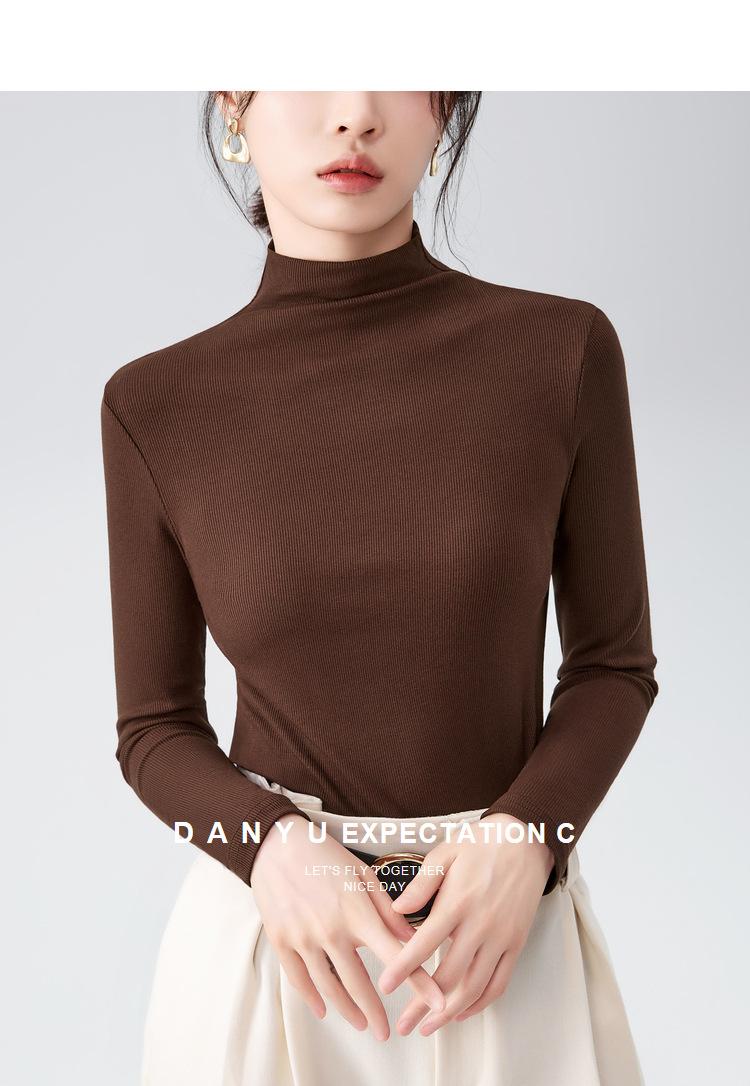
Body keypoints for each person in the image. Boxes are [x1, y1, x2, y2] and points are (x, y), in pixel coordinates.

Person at [100, 91, 659, 1085]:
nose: (353, 114)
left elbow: (614, 666)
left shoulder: (561, 352)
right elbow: (154, 729)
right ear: (234, 103)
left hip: (504, 943)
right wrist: (265, 847)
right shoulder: (154, 404)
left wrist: (533, 835)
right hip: (274, 956)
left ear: (445, 110)